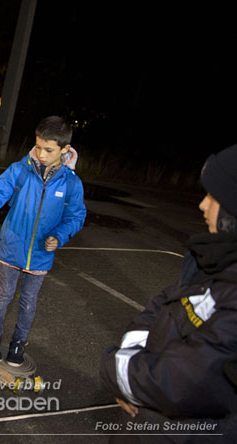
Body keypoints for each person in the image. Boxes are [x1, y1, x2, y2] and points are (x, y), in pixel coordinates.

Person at [100, 144, 237, 440]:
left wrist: (117, 371)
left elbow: (186, 381)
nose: (202, 204)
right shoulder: (209, 259)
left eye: (214, 196)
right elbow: (159, 308)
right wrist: (131, 363)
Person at [0, 116, 86, 366]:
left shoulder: (71, 183)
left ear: (65, 150)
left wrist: (59, 236)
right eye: (38, 147)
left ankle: (17, 344)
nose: (42, 154)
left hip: (40, 253)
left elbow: (76, 216)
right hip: (11, 246)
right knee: (3, 294)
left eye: (49, 150)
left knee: (28, 301)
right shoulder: (19, 170)